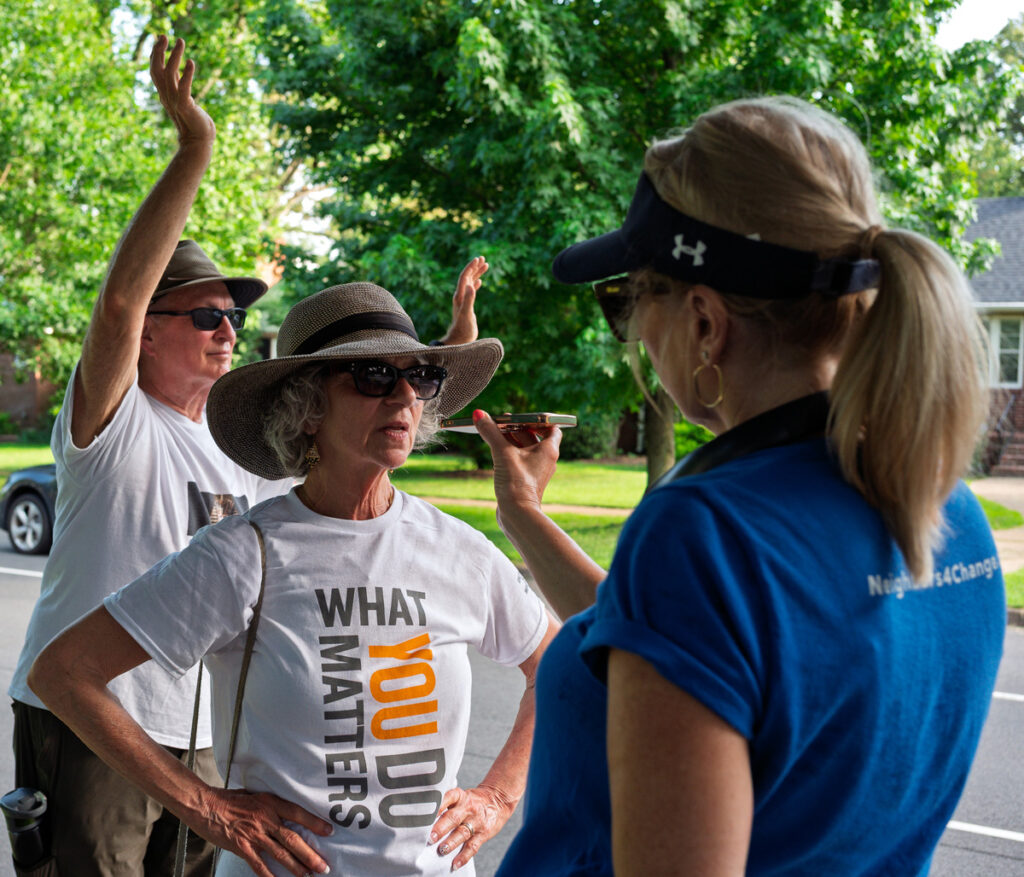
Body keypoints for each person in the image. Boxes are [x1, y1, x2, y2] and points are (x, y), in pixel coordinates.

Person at [476, 95, 1006, 876]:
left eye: (628, 301)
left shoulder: (702, 531)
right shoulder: (940, 503)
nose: (631, 335)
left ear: (704, 322)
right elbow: (690, 642)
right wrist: (521, 513)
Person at [7, 36, 488, 877]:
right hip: (98, 717)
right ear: (149, 331)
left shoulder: (238, 451)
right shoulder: (113, 425)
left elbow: (356, 435)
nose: (228, 328)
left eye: (233, 315)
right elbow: (118, 299)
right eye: (205, 315)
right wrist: (196, 148)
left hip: (198, 734)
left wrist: (443, 353)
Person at [28, 279, 559, 877]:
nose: (405, 397)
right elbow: (65, 672)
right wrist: (205, 808)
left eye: (422, 377)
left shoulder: (459, 549)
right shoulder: (245, 551)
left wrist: (498, 796)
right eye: (374, 375)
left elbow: (562, 662)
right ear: (308, 406)